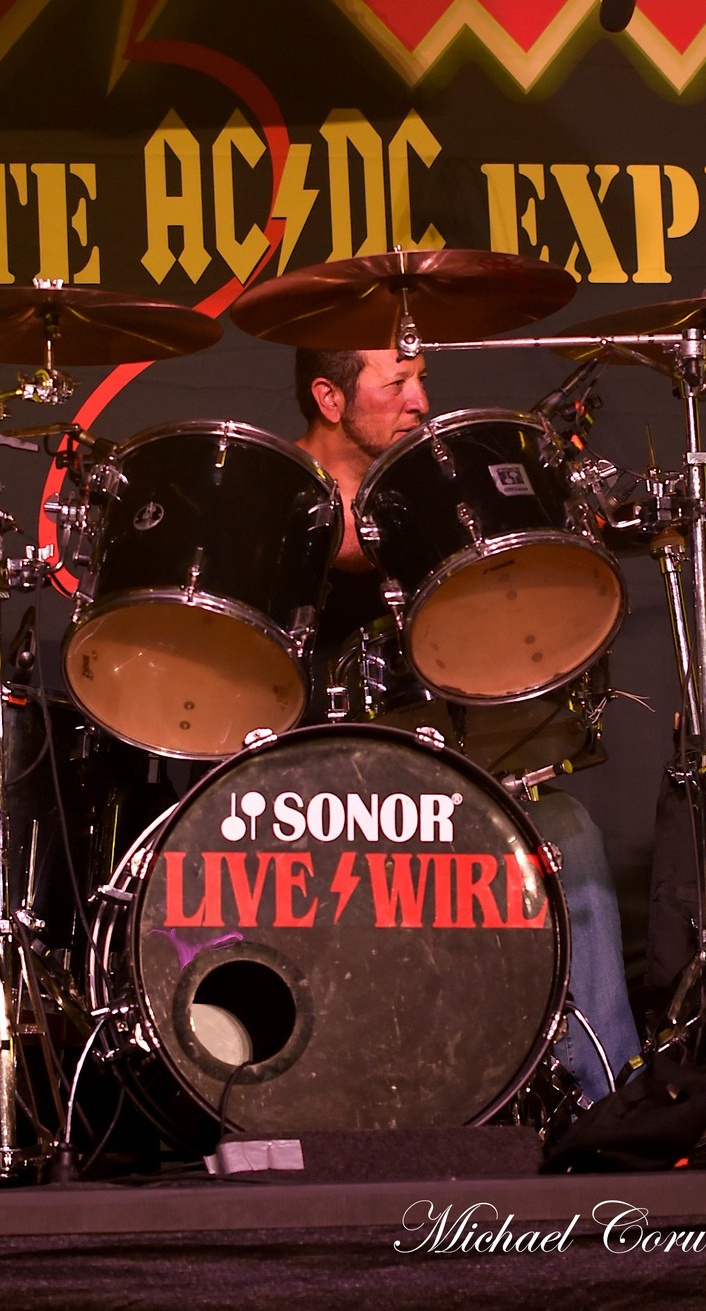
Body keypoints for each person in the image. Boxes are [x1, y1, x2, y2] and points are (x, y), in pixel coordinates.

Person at [294, 344, 640, 1104]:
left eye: (421, 380)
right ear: (329, 398)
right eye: (396, 383)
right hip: (330, 787)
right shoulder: (282, 493)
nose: (420, 401)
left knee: (570, 828)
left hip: (460, 754)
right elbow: (340, 545)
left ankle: (604, 1101)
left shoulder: (431, 484)